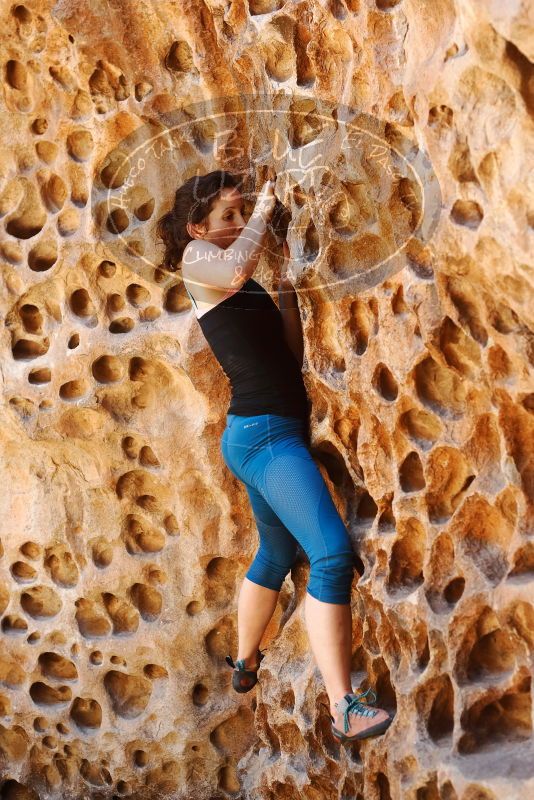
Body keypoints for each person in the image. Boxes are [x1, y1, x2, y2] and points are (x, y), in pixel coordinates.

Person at [156, 170, 394, 742]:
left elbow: (289, 352)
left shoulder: (241, 284)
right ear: (197, 229)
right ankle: (343, 707)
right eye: (228, 216)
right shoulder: (198, 261)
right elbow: (237, 267)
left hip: (262, 433)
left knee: (276, 551)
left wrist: (285, 278)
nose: (240, 224)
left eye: (243, 213)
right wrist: (263, 209)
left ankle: (245, 662)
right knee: (331, 555)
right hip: (265, 438)